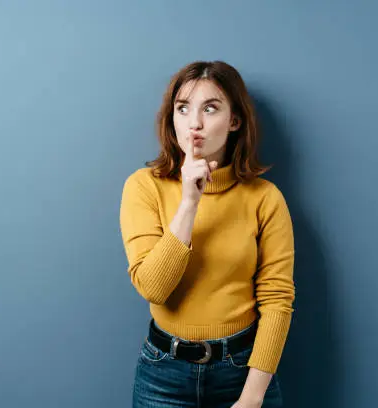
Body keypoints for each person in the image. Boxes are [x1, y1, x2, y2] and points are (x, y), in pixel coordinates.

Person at [119, 60, 295, 408]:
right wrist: (189, 202)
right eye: (183, 108)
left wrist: (252, 398)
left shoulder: (265, 198)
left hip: (243, 372)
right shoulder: (144, 187)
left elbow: (277, 300)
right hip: (163, 376)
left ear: (234, 121)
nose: (194, 123)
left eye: (210, 108)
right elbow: (153, 288)